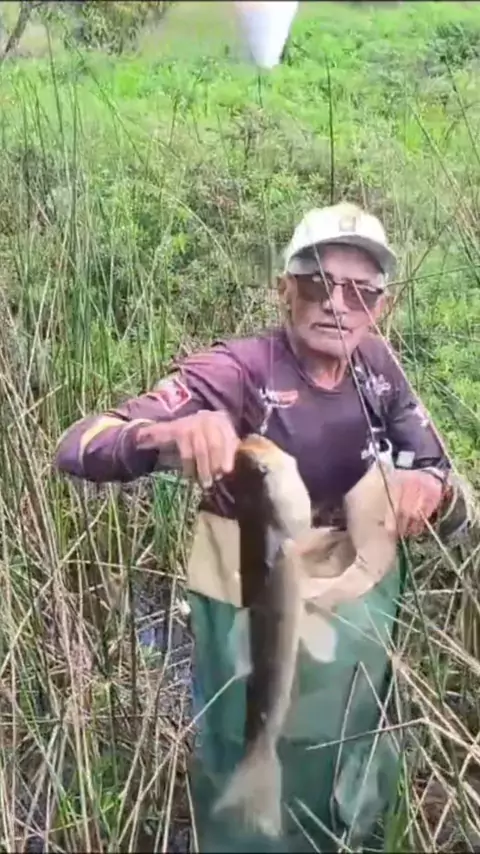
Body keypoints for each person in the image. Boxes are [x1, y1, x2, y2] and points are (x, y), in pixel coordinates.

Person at [54, 201, 472, 853]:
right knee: (242, 735)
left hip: (355, 595)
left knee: (345, 738)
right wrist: (167, 433)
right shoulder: (239, 369)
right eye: (317, 282)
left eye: (361, 292)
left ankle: (344, 832)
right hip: (251, 589)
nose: (338, 304)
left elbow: (435, 466)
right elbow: (80, 444)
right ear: (284, 288)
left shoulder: (378, 369)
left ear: (381, 307)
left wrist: (431, 486)